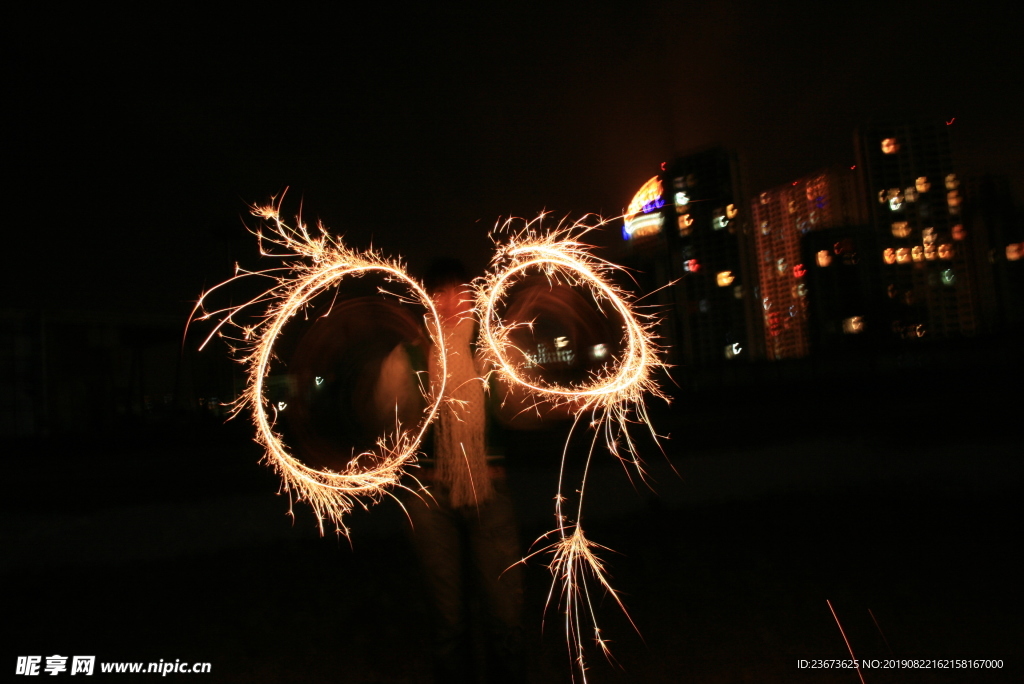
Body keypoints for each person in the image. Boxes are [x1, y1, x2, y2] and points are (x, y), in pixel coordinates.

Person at [399, 259, 526, 684]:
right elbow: (391, 424)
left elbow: (520, 411)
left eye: (460, 292)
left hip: (490, 495)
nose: (451, 303)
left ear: (475, 298)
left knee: (505, 611)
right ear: (427, 303)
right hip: (430, 500)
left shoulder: (493, 350)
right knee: (447, 616)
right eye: (439, 293)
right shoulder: (411, 357)